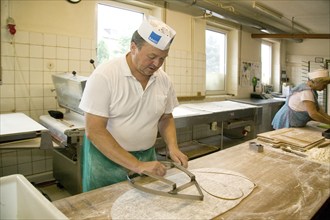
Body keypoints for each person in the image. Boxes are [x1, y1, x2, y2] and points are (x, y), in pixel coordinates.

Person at [79, 16, 188, 192]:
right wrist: (136, 165)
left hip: (146, 159)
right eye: (152, 56)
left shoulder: (164, 80)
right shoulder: (105, 75)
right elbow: (94, 131)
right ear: (133, 47)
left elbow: (166, 118)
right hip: (107, 162)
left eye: (162, 58)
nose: (157, 64)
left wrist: (172, 146)